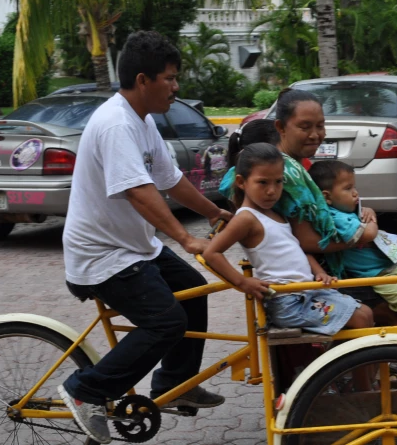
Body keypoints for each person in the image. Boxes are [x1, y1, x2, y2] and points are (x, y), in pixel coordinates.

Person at [57, 31, 231, 444]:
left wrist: (216, 213)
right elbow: (139, 190)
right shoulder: (116, 124)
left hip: (133, 249)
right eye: (169, 78)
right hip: (101, 257)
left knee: (193, 288)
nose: (175, 87)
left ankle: (175, 384)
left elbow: (170, 180)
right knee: (166, 320)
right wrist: (185, 239)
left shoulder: (143, 120)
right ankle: (85, 392)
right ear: (142, 80)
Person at [202, 143, 374, 335]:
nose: (272, 191)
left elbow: (295, 249)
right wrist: (243, 282)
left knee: (366, 313)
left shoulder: (275, 213)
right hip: (287, 301)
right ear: (242, 182)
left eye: (278, 182)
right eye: (263, 182)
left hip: (308, 291)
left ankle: (355, 364)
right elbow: (211, 253)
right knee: (361, 318)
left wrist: (318, 272)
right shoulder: (246, 218)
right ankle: (353, 365)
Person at [308, 160, 397, 326]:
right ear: (327, 197)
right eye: (348, 189)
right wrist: (372, 219)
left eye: (354, 187)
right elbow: (369, 233)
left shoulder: (344, 212)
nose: (355, 193)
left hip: (383, 270)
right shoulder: (336, 218)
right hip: (375, 274)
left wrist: (367, 210)